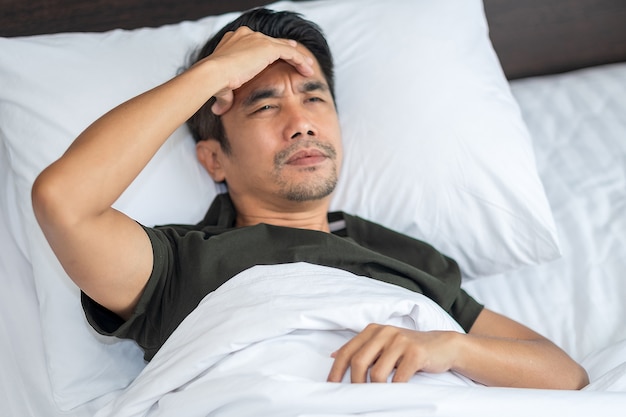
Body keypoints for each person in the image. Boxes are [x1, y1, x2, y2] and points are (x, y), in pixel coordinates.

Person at [31, 8, 588, 389]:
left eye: (314, 97)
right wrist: (214, 73)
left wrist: (451, 348)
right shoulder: (178, 263)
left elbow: (564, 373)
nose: (301, 124)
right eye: (265, 105)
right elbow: (64, 201)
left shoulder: (409, 260)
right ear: (213, 158)